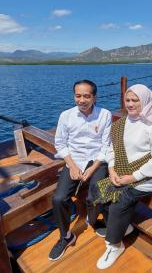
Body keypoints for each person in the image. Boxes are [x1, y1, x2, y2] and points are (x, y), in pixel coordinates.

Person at [93, 84, 152, 269]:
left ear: (145, 101)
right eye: (127, 100)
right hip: (121, 172)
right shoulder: (121, 124)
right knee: (97, 191)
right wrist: (111, 169)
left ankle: (114, 245)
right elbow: (111, 149)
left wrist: (132, 177)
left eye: (135, 100)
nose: (130, 104)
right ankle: (123, 227)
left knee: (119, 201)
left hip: (147, 178)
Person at [49, 80, 112, 261]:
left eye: (87, 96)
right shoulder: (66, 116)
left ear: (94, 97)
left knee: (95, 196)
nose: (82, 100)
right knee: (59, 198)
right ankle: (66, 237)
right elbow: (60, 144)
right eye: (78, 96)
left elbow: (105, 146)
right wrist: (72, 165)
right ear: (74, 96)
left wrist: (92, 169)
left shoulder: (104, 115)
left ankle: (93, 221)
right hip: (74, 160)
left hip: (96, 161)